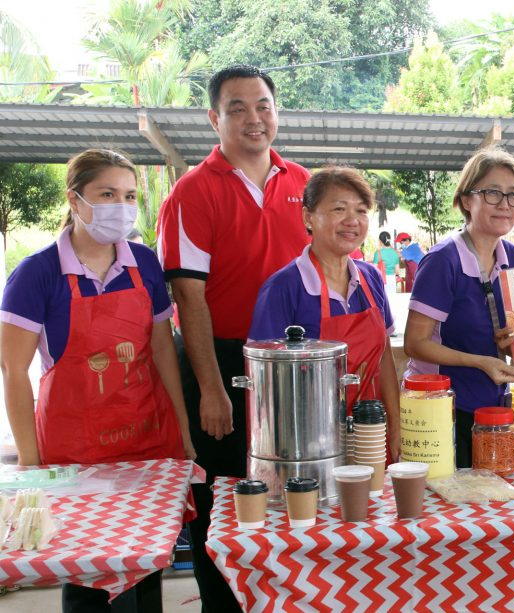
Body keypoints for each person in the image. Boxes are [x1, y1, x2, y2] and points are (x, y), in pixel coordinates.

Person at [1, 149, 194, 611]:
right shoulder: (37, 273)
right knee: (85, 566)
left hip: (146, 434)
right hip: (74, 447)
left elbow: (163, 348)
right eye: (106, 194)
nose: (121, 206)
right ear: (75, 199)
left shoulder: (144, 263)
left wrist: (183, 429)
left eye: (128, 196)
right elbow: (13, 371)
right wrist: (32, 465)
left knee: (147, 560)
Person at [156, 64, 310, 612]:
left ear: (277, 112)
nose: (254, 118)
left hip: (293, 367)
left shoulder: (303, 185)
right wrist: (214, 389)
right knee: (221, 499)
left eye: (263, 105)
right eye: (237, 108)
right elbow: (188, 299)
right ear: (213, 118)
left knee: (293, 497)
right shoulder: (192, 192)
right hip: (219, 363)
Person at [249, 167, 401, 456]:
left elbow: (385, 360)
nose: (352, 221)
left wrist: (394, 427)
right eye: (338, 209)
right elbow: (265, 387)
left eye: (361, 210)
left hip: (369, 434)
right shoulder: (284, 287)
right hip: (307, 443)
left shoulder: (370, 279)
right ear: (308, 217)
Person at [403, 147, 514, 468]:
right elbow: (415, 344)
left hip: (494, 406)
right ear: (465, 200)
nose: (505, 204)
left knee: (492, 502)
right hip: (441, 411)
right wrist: (480, 362)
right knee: (443, 508)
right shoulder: (443, 260)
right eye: (492, 193)